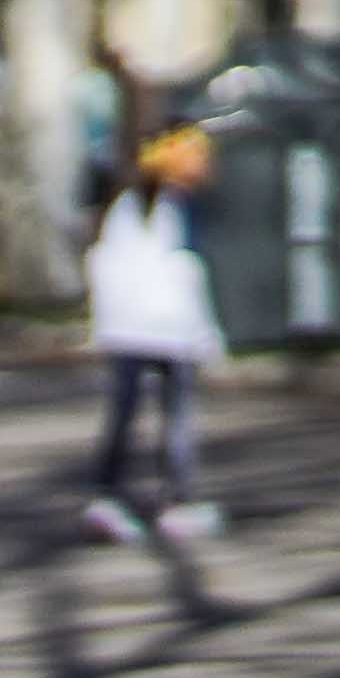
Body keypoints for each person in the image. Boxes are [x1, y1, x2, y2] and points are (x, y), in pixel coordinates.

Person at [79, 123, 228, 544]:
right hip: (169, 326)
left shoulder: (127, 201)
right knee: (174, 416)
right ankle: (175, 500)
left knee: (126, 413)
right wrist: (206, 333)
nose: (206, 164)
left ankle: (108, 495)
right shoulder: (179, 205)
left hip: (126, 325)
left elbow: (104, 262)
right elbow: (186, 272)